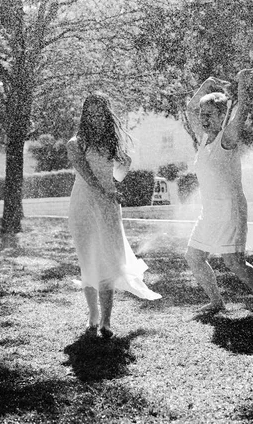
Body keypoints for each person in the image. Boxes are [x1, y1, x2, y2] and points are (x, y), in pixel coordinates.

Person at [184, 71, 253, 317]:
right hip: (210, 212)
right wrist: (206, 85)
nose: (203, 119)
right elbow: (189, 109)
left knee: (235, 262)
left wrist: (243, 84)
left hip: (230, 210)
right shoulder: (203, 138)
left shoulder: (227, 137)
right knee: (194, 257)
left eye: (208, 115)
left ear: (221, 115)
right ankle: (216, 302)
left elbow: (244, 110)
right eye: (202, 115)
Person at [67, 93, 161, 338]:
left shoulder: (111, 143)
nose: (96, 118)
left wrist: (122, 169)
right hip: (84, 205)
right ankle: (93, 315)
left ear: (106, 115)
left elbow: (117, 176)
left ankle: (106, 322)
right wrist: (106, 192)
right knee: (88, 261)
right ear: (85, 116)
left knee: (108, 260)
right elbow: (87, 175)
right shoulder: (75, 143)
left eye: (100, 113)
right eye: (91, 113)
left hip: (108, 206)